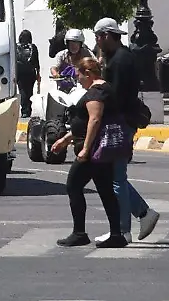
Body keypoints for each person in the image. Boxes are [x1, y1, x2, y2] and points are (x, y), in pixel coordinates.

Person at [90, 18, 158, 241]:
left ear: (107, 36)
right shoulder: (119, 57)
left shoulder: (120, 61)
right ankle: (143, 213)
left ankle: (122, 230)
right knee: (115, 177)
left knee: (117, 178)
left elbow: (115, 95)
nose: (98, 42)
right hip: (121, 122)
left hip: (121, 123)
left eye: (99, 37)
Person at [52, 54, 128, 249]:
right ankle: (116, 234)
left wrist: (85, 149)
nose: (78, 79)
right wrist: (65, 139)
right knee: (105, 191)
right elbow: (85, 123)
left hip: (93, 151)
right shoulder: (104, 89)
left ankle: (79, 233)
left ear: (88, 73)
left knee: (73, 186)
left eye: (79, 75)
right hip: (98, 151)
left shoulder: (96, 92)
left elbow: (94, 120)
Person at [15, 30, 41, 118]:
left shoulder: (15, 47)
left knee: (22, 91)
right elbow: (37, 62)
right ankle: (27, 109)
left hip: (20, 72)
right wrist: (38, 74)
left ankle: (24, 110)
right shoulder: (33, 47)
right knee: (29, 92)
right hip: (30, 73)